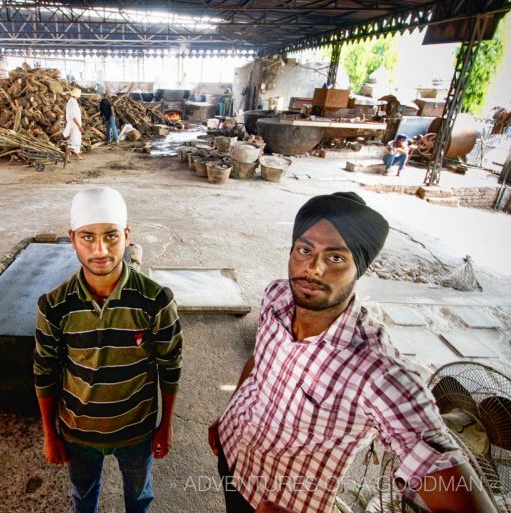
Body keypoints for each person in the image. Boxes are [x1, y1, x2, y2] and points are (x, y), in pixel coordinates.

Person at [208, 192, 496, 513]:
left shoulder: (377, 373)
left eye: (335, 258)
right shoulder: (277, 296)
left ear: (358, 267)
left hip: (280, 497)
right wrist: (229, 415)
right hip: (232, 453)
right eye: (304, 250)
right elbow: (260, 363)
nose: (313, 268)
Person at [34, 187, 183, 513]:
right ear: (72, 238)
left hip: (138, 430)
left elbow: (170, 366)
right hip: (77, 433)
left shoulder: (155, 300)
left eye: (111, 236)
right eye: (87, 237)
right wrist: (50, 434)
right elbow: (45, 371)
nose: (100, 249)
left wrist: (165, 424)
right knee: (83, 496)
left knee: (139, 495)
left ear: (127, 236)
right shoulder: (55, 306)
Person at [63, 88, 84, 163]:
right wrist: (79, 126)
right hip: (74, 125)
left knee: (77, 140)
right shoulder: (72, 102)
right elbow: (73, 116)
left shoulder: (73, 101)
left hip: (75, 125)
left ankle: (78, 155)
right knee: (74, 142)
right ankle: (66, 157)